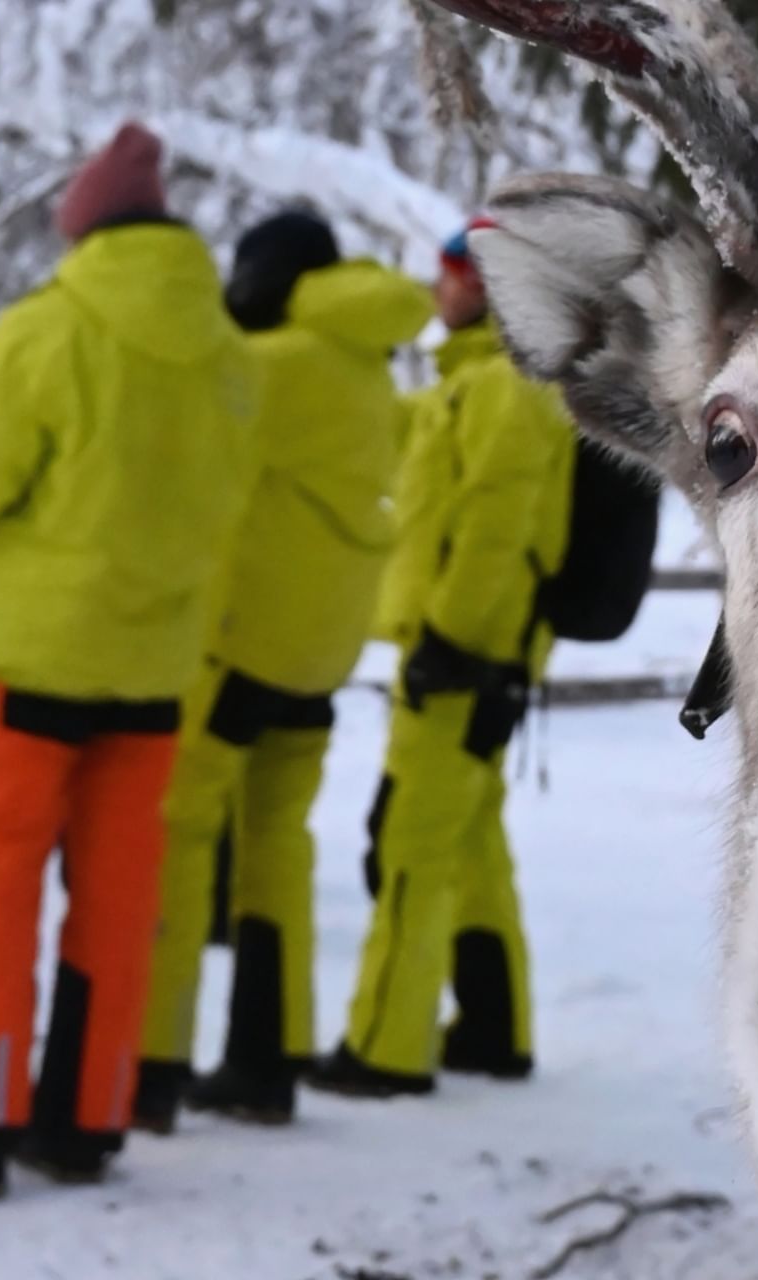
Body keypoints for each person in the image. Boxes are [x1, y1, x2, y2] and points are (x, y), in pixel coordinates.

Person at [0, 122, 259, 1200]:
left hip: (40, 662)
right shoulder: (228, 353)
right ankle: (84, 1119)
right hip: (153, 672)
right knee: (120, 897)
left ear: (85, 229)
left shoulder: (50, 328)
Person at [131, 210, 433, 1132]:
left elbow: (173, 463)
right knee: (278, 848)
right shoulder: (366, 373)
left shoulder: (270, 368)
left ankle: (152, 1059)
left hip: (237, 649)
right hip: (317, 659)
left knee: (180, 840)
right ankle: (268, 1060)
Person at [309, 222, 577, 1099]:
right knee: (468, 843)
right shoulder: (470, 387)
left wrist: (454, 643)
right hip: (473, 656)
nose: (440, 284)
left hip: (465, 658)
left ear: (496, 289)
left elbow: (496, 531)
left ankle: (385, 1046)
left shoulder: (506, 390)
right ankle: (495, 1031)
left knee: (413, 844)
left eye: (457, 271)